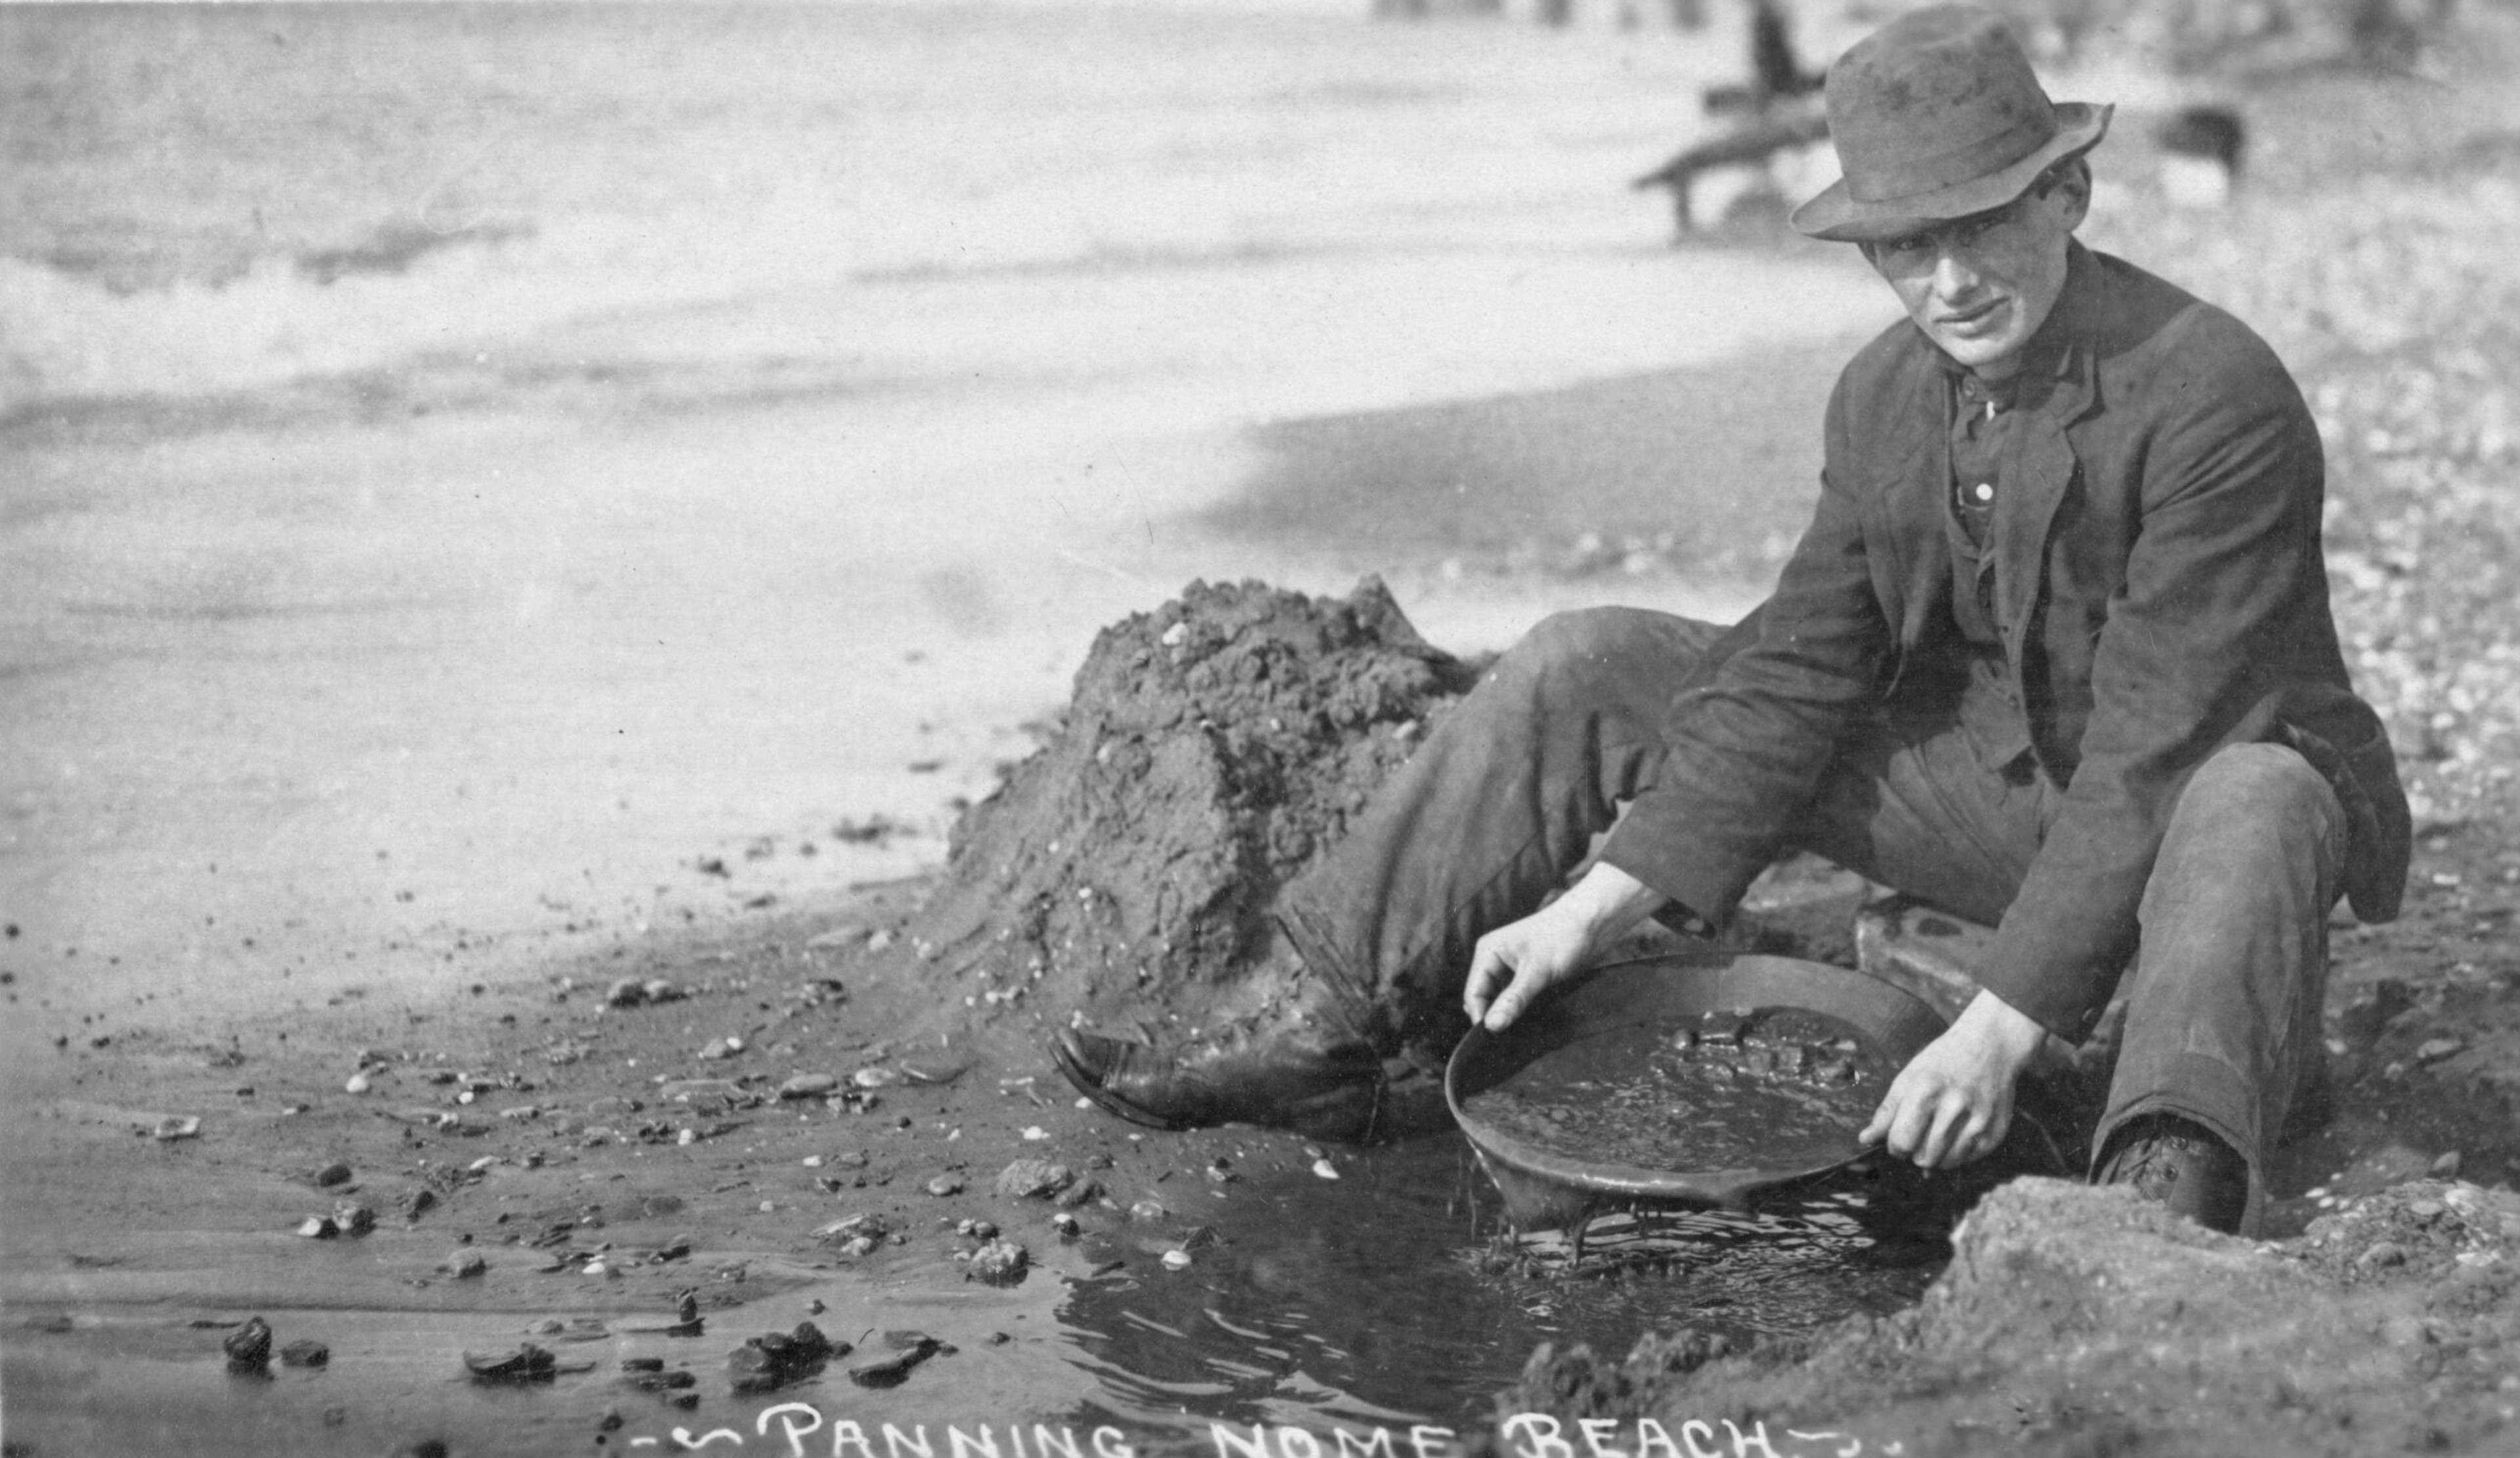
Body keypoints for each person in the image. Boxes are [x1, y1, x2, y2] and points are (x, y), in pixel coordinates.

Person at [1051, 5, 2408, 1236]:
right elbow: (1795, 671)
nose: (1951, 282)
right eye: (1905, 244)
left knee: (2258, 792)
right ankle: (1331, 1025)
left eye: (1984, 223)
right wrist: (1595, 906)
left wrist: (1996, 1033)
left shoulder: (2213, 391)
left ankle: (2165, 1175)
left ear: (2068, 192)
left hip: (2198, 835)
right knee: (1600, 660)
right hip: (1998, 806)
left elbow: (2150, 759)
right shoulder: (1884, 396)